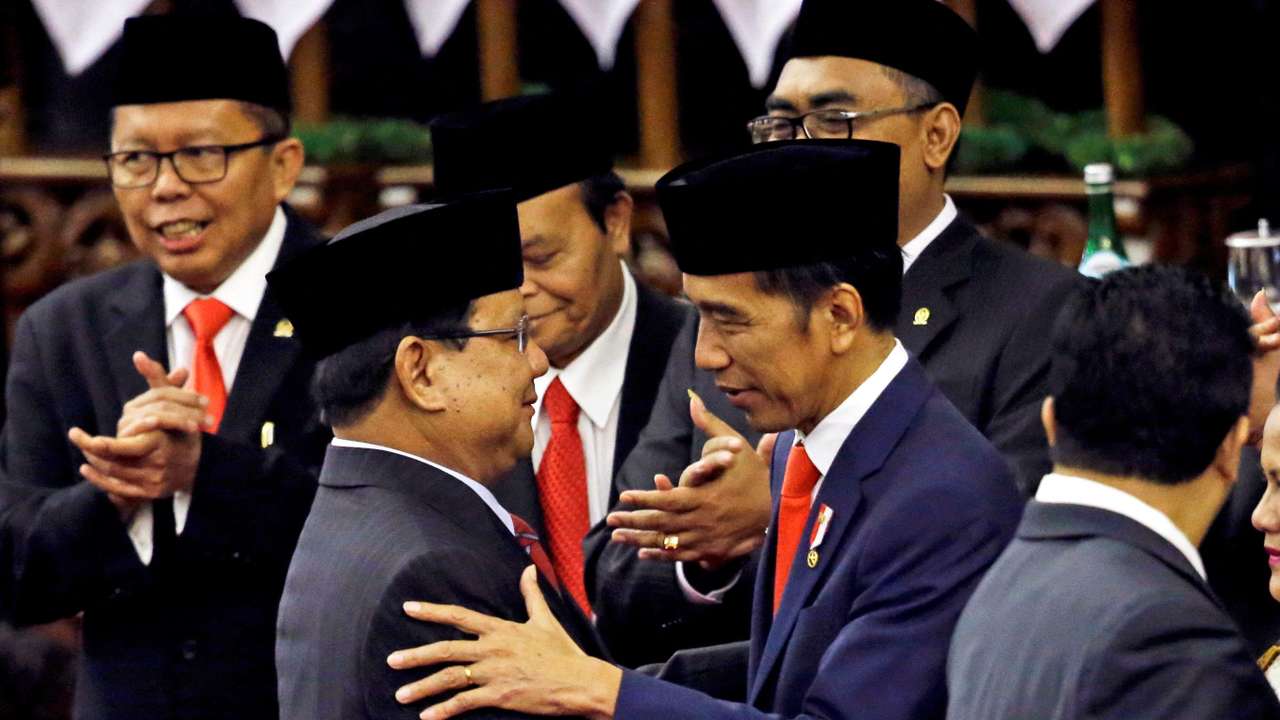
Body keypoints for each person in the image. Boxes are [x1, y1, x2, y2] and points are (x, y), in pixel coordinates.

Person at [383, 140, 1024, 720]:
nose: (705, 355)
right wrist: (577, 679)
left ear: (839, 315)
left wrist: (603, 692)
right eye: (697, 318)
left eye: (730, 321)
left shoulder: (944, 498)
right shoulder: (800, 449)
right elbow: (780, 669)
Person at [588, 0, 1082, 667]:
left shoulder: (1041, 312)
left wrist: (784, 510)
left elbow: (1007, 547)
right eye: (779, 124)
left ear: (937, 135)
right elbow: (615, 570)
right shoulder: (727, 310)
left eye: (833, 120)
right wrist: (705, 561)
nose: (795, 147)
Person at [0, 15, 326, 719]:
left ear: (283, 164)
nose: (165, 187)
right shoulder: (64, 329)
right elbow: (19, 574)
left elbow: (379, 525)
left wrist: (204, 472)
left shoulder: (355, 308)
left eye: (201, 154)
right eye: (136, 159)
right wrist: (115, 492)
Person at [272, 192, 605, 720]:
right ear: (421, 372)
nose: (539, 362)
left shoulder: (360, 513)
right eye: (515, 335)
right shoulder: (436, 570)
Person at [947, 266, 1280, 719]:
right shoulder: (1173, 640)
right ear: (1230, 448)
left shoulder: (999, 586)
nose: (1262, 515)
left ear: (1050, 424)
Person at [428, 92, 689, 613]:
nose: (519, 289)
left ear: (616, 223)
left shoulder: (707, 357)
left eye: (542, 258)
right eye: (491, 269)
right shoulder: (442, 390)